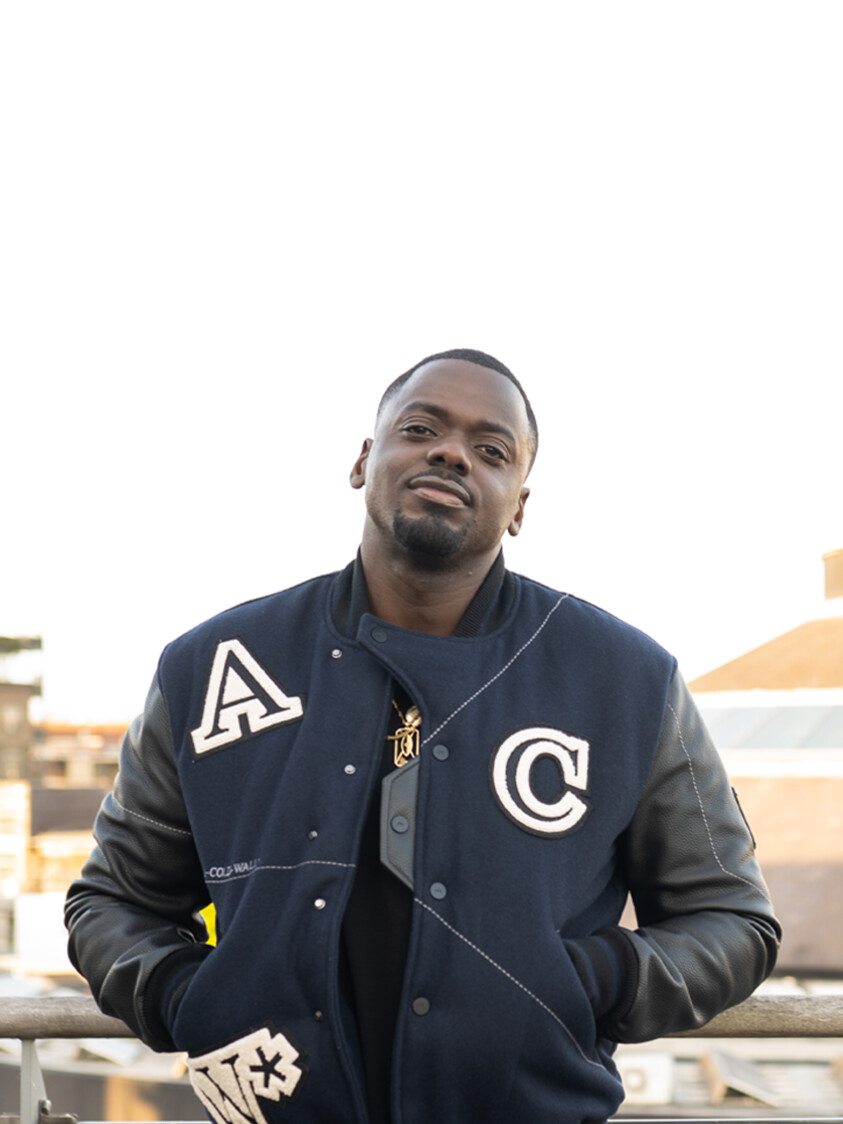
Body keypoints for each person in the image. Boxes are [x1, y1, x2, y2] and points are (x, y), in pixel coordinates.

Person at [65, 349, 780, 1124]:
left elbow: (733, 922)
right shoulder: (211, 666)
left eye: (491, 449)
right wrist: (187, 997)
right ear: (363, 461)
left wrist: (592, 980)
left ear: (518, 506)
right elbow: (112, 901)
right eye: (420, 428)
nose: (450, 452)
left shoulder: (626, 680)